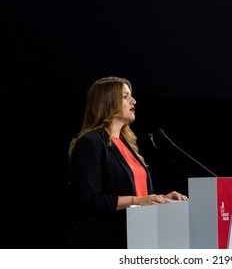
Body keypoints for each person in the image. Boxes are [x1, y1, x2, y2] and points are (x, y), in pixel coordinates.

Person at [68, 76, 188, 249]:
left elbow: (138, 193)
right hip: (103, 242)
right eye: (125, 96)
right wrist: (138, 201)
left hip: (136, 239)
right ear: (108, 101)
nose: (134, 101)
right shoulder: (90, 142)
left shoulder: (126, 144)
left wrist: (161, 199)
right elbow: (90, 201)